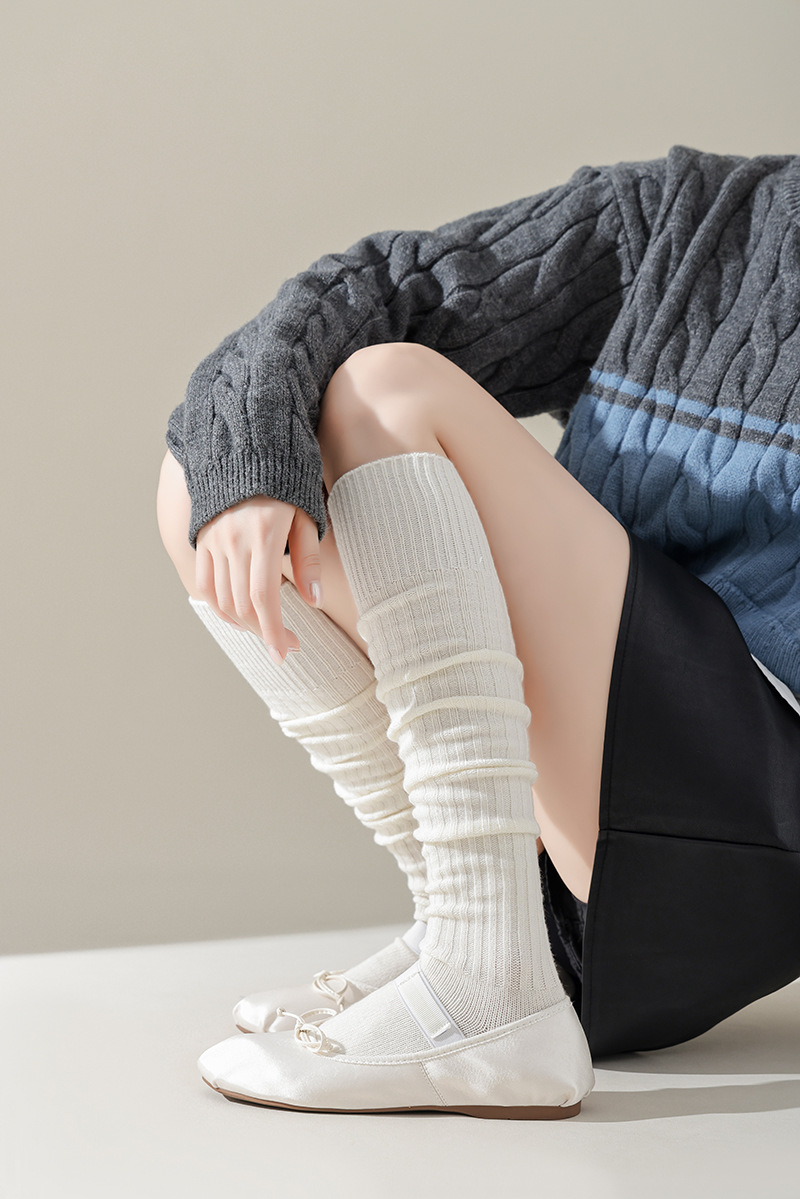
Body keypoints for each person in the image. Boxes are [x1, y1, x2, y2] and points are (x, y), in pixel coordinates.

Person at [156, 143, 800, 1119]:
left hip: (760, 832)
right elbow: (379, 287)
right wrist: (249, 459)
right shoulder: (700, 215)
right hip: (595, 842)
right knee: (205, 481)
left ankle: (487, 986)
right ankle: (479, 928)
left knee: (388, 393)